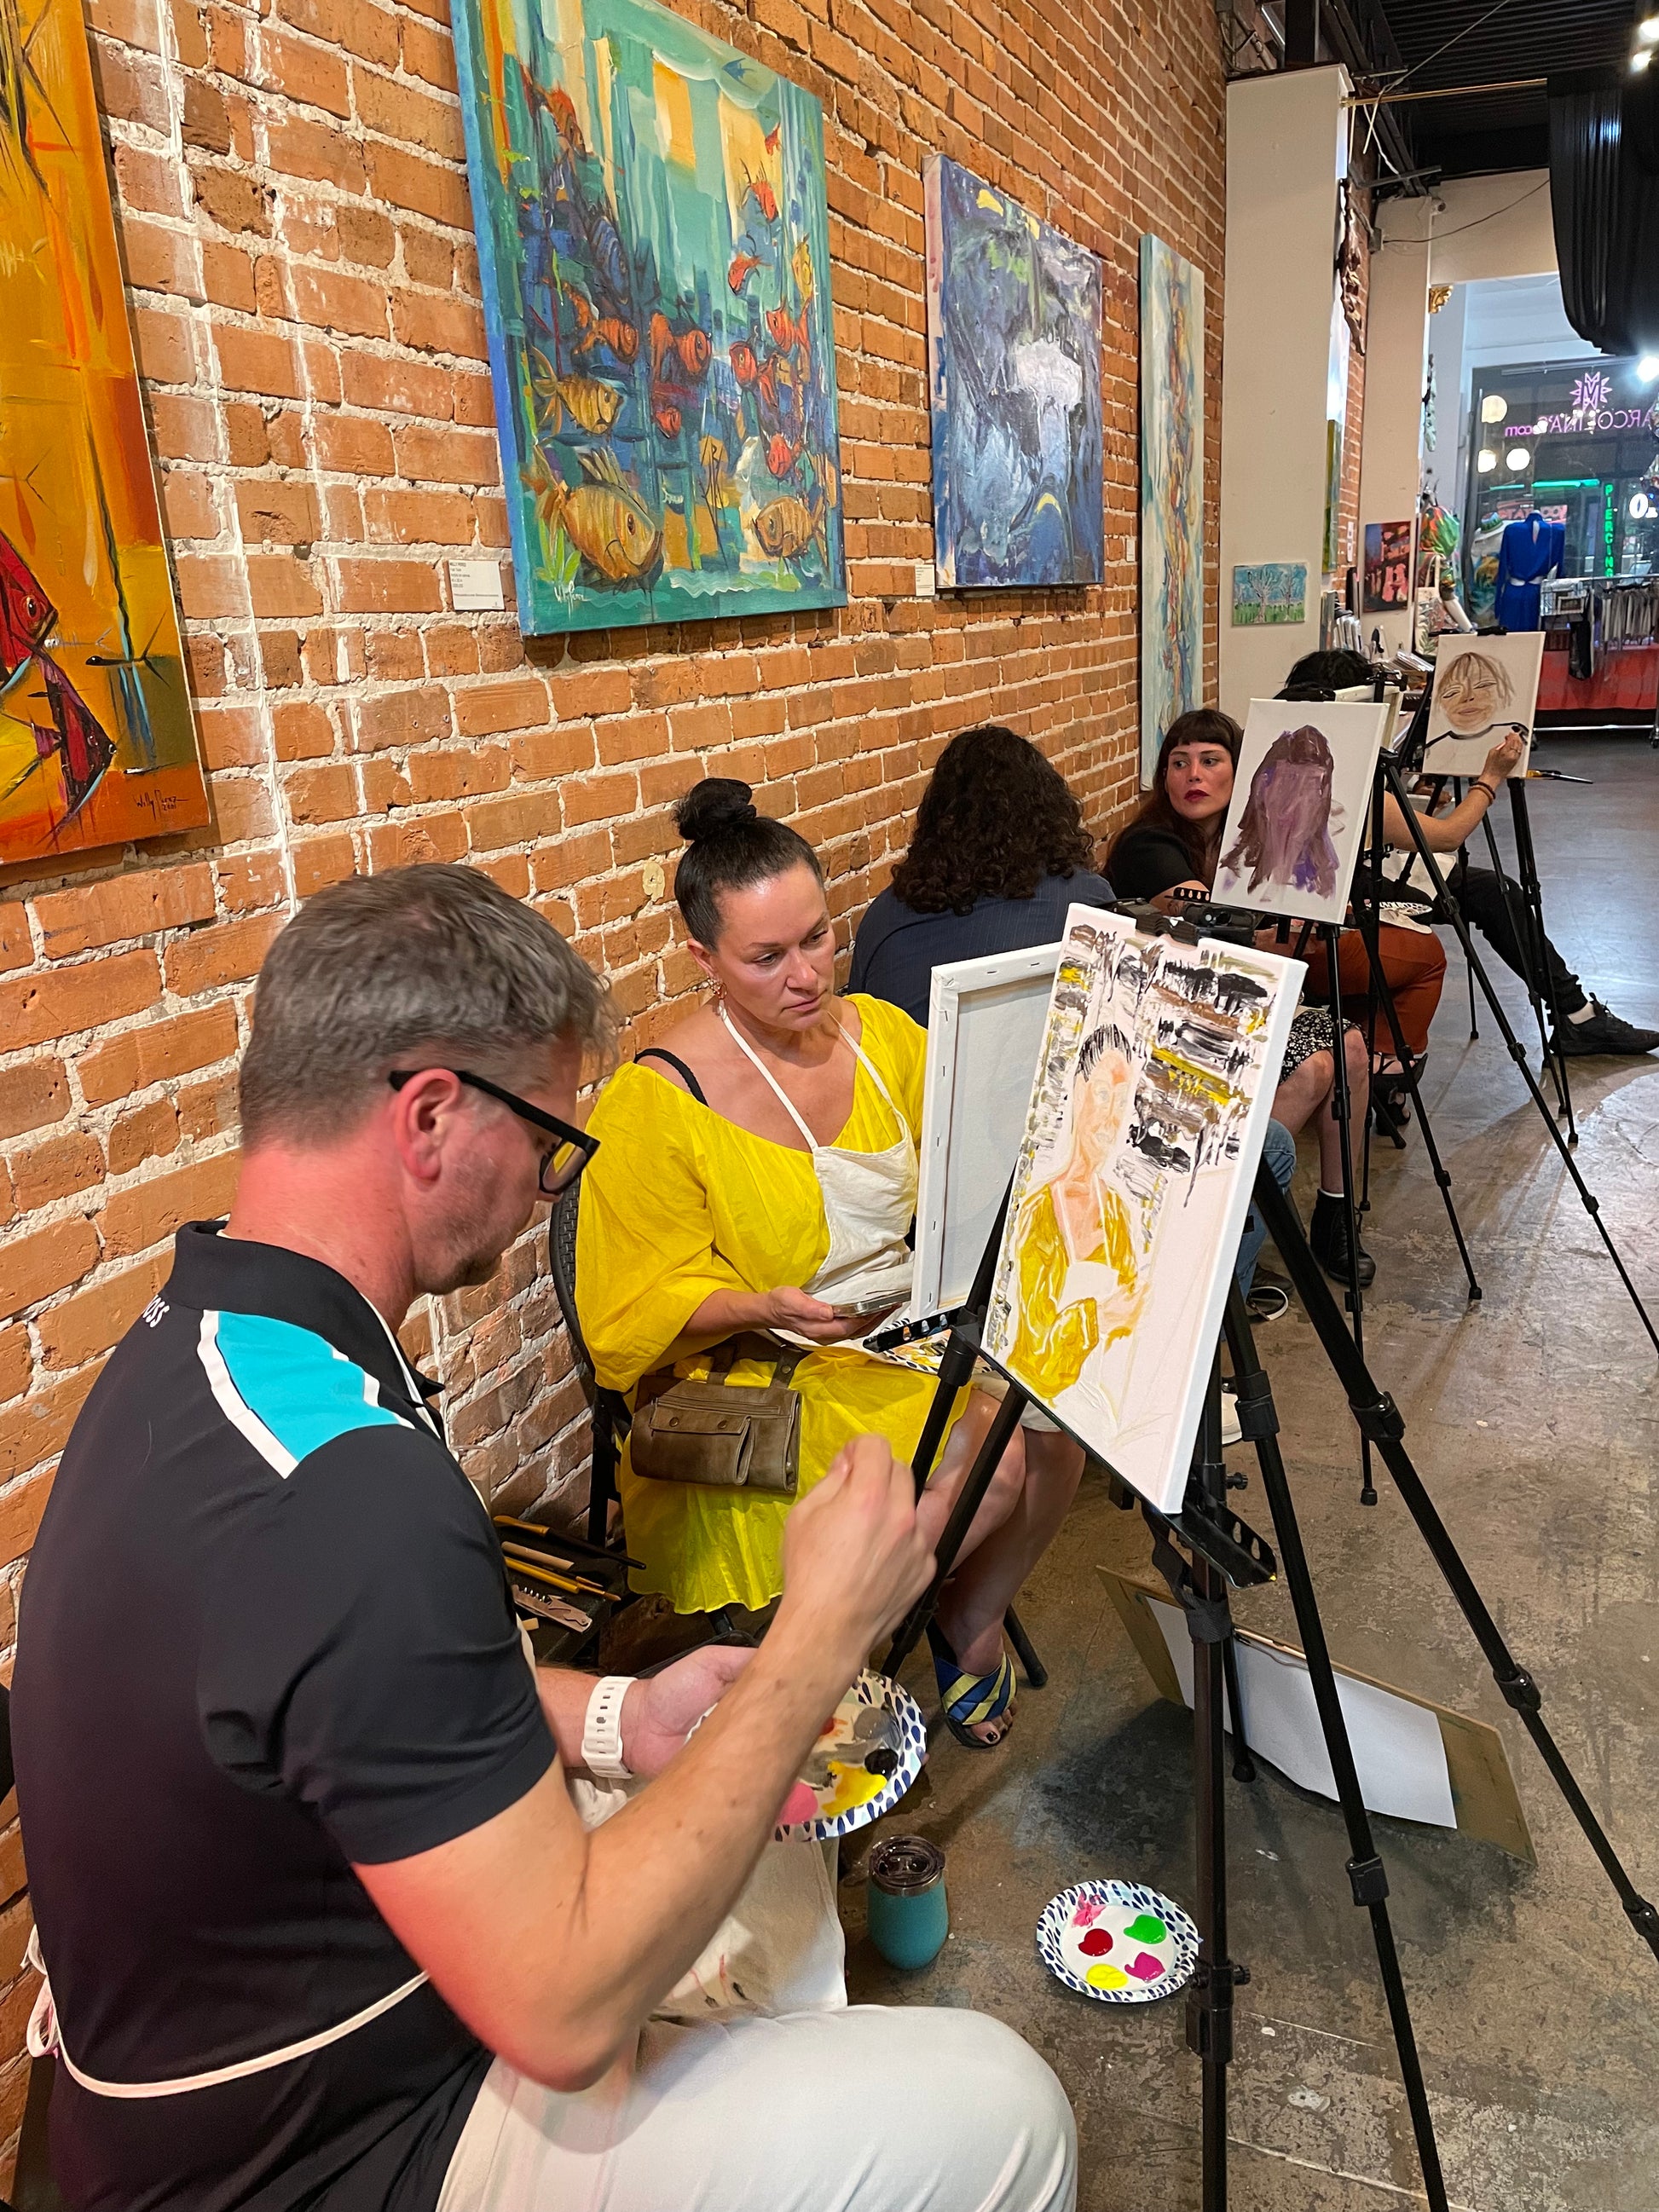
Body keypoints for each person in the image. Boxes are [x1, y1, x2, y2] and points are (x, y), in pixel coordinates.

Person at [11, 863, 1075, 2212]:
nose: (545, 1186)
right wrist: (820, 1633)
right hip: (333, 2144)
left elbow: (341, 1696)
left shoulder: (205, 1335)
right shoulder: (347, 1497)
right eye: (551, 1142)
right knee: (1006, 2106)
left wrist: (619, 1712)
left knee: (779, 1831)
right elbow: (561, 2006)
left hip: (313, 2007)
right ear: (433, 1115)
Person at [578, 781, 1085, 1750]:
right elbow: (623, 1316)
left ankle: (961, 1612)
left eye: (815, 937)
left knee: (1057, 1418)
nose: (805, 976)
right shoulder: (660, 1100)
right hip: (765, 1369)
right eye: (764, 958)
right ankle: (835, 1667)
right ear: (702, 958)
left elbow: (972, 1169)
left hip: (898, 1325)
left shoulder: (881, 1035)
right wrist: (757, 1303)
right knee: (992, 1450)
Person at [1107, 709, 1375, 1286]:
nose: (1192, 775)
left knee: (1346, 1049)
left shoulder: (1252, 839)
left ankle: (1336, 1217)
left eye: (1209, 761)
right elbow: (1215, 923)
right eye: (1178, 763)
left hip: (1241, 1006)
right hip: (1172, 1020)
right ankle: (1217, 1224)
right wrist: (1296, 920)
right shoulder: (1148, 843)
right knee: (1313, 1071)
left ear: (1241, 772)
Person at [1285, 649, 1659, 1056]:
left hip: (1345, 883)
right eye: (1457, 690)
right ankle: (1577, 1015)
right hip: (1349, 901)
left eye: (1483, 689)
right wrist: (1490, 777)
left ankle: (1576, 1013)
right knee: (1494, 894)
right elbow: (1448, 836)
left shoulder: (1297, 757)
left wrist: (1407, 793)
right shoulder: (1343, 779)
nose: (1468, 701)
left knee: (1493, 889)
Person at [847, 723, 1114, 1022]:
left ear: (938, 818)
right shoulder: (1087, 902)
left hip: (910, 1068)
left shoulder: (884, 919)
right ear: (1049, 811)